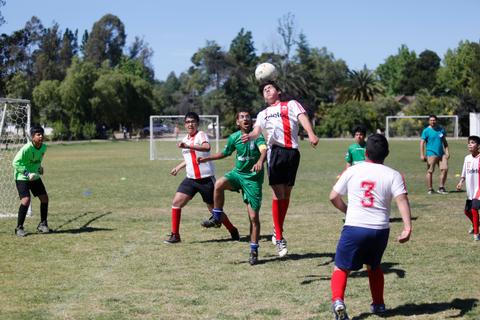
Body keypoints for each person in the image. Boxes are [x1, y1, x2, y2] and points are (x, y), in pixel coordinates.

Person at [329, 134, 412, 320]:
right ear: (387, 154)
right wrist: (407, 227)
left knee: (341, 268)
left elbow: (333, 197)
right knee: (374, 266)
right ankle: (379, 305)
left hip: (354, 227)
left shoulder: (352, 171)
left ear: (365, 152)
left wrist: (347, 210)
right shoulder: (394, 174)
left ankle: (338, 301)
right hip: (380, 230)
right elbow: (402, 200)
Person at [241, 80, 319, 257]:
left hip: (292, 153)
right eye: (264, 91)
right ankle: (280, 236)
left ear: (279, 91)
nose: (266, 92)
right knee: (278, 194)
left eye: (269, 89)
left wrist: (311, 133)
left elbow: (302, 118)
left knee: (287, 194)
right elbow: (256, 131)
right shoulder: (263, 113)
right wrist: (249, 136)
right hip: (274, 153)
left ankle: (277, 230)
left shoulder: (291, 104)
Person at [198, 111, 267, 265]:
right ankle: (217, 218)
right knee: (219, 184)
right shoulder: (234, 137)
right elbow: (225, 153)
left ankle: (254, 250)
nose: (246, 119)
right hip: (238, 174)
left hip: (253, 180)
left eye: (248, 117)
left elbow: (264, 150)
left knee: (254, 217)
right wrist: (206, 158)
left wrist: (261, 161)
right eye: (242, 117)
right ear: (237, 122)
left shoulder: (257, 135)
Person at [164, 112, 239, 244]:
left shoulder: (201, 135)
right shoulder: (185, 139)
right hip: (190, 179)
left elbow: (206, 147)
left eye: (193, 121)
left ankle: (232, 229)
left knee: (214, 210)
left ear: (197, 123)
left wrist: (188, 146)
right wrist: (178, 167)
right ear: (185, 124)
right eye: (187, 122)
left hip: (206, 180)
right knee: (176, 203)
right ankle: (175, 235)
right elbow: (189, 158)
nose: (190, 124)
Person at [12, 126, 50, 237]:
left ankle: (43, 224)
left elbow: (36, 161)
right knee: (26, 200)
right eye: (38, 134)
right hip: (22, 177)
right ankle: (19, 228)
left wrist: (39, 168)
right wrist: (27, 174)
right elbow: (15, 163)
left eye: (42, 134)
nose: (41, 136)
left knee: (44, 198)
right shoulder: (26, 148)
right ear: (32, 137)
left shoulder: (43, 147)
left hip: (35, 177)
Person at [455, 135, 480, 241]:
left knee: (474, 209)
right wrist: (460, 182)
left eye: (473, 142)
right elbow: (464, 173)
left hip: (478, 189)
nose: (470, 144)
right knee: (467, 211)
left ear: (478, 146)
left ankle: (476, 234)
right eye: (469, 142)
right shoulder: (467, 158)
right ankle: (476, 224)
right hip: (470, 189)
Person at [420, 115, 450, 194]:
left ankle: (441, 188)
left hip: (441, 154)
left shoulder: (441, 130)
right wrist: (422, 155)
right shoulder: (426, 131)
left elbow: (445, 142)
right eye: (431, 120)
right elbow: (422, 143)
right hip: (431, 153)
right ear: (429, 121)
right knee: (430, 171)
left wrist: (447, 152)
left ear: (436, 121)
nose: (433, 121)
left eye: (434, 120)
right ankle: (430, 189)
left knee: (445, 169)